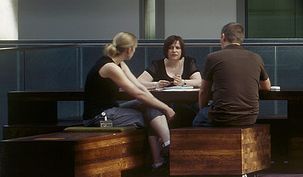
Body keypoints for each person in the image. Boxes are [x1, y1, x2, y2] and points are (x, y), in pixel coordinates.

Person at [83, 32, 175, 168]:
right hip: (98, 117)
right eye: (135, 48)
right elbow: (137, 93)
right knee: (150, 117)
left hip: (112, 110)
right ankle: (161, 158)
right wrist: (166, 108)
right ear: (129, 49)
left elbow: (140, 87)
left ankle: (166, 146)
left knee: (151, 109)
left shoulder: (119, 64)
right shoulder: (110, 67)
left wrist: (160, 105)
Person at [193, 21, 272, 129]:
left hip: (222, 116)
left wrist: (202, 110)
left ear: (223, 36)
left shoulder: (213, 57)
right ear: (241, 39)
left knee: (197, 120)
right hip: (250, 117)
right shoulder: (256, 57)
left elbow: (204, 91)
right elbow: (267, 87)